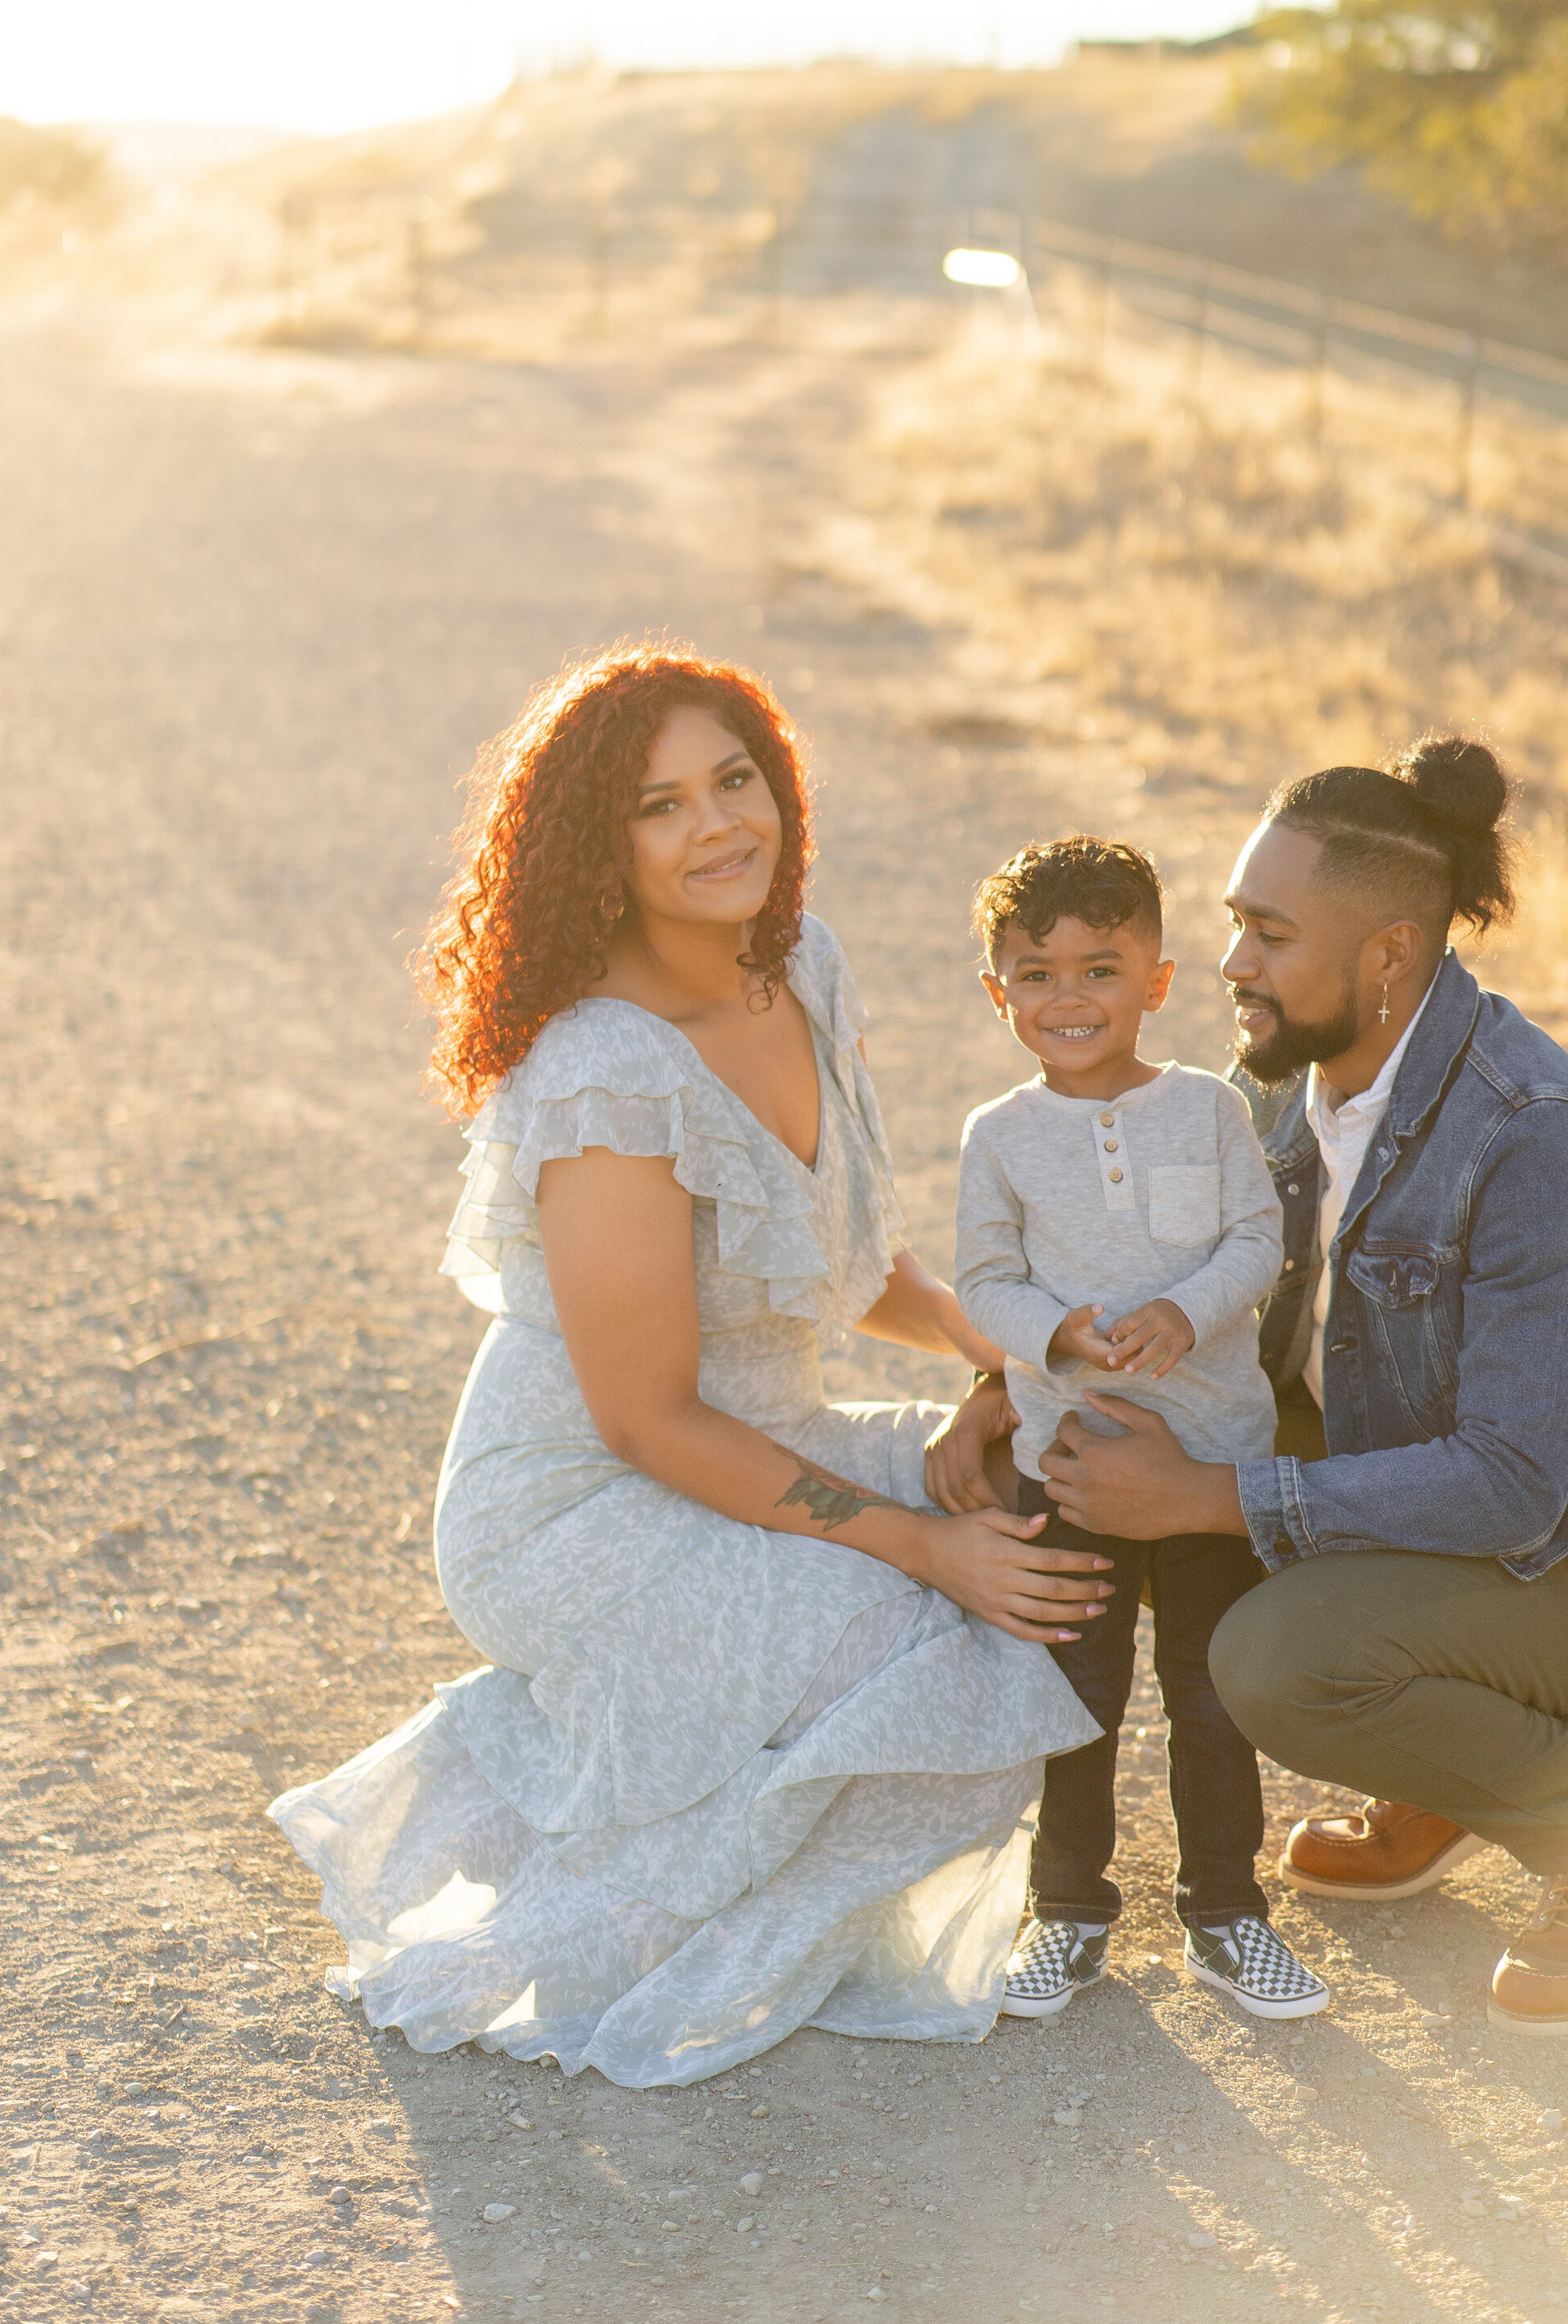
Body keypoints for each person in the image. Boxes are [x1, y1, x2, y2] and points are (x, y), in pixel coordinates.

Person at [269, 643, 1108, 2088]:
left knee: (1033, 1516)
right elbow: (647, 1416)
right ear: (606, 843)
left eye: (736, 780)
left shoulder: (805, 964)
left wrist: (1015, 1363)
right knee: (912, 1634)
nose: (719, 825)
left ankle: (666, 1781)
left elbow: (853, 1263)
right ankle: (559, 1795)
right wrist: (911, 1537)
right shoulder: (606, 1068)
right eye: (662, 806)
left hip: (759, 1437)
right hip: (577, 1503)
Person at [934, 737, 1568, 2037]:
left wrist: (1213, 1495)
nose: (1231, 967)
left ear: (1387, 953)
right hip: (1464, 1535)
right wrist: (1004, 1388)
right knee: (1192, 1521)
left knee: (1270, 1657)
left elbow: (1508, 1483)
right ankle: (1441, 1777)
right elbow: (1167, 1290)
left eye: (1268, 932)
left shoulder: (1538, 1135)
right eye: (1233, 927)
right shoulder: (1278, 1088)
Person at [953, 837, 1329, 2025]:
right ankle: (1064, 1912)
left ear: (1158, 980)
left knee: (1212, 1692)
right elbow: (982, 1282)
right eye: (1036, 973)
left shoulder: (1209, 1111)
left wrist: (1186, 1310)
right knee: (1078, 1691)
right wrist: (1058, 1333)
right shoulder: (998, 1135)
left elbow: (1255, 1243)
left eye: (1100, 968)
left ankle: (1227, 1913)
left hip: (1215, 1454)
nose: (1069, 998)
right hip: (1068, 1467)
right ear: (998, 990)